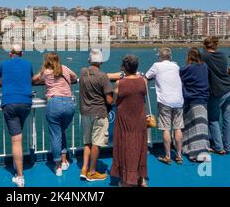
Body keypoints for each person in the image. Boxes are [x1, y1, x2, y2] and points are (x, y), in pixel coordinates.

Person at [32, 52, 77, 176]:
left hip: (55, 103)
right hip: (69, 103)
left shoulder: (45, 72)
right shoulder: (65, 68)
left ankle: (58, 166)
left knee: (55, 135)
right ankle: (64, 161)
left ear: (47, 61)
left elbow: (34, 79)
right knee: (62, 131)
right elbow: (74, 77)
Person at [0, 44, 34, 187]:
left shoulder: (4, 64)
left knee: (16, 140)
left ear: (10, 54)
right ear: (22, 53)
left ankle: (20, 176)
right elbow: (30, 79)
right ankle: (18, 167)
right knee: (19, 136)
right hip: (25, 102)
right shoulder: (28, 64)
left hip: (9, 103)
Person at [110, 55, 148, 187]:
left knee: (125, 147)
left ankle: (127, 180)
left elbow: (114, 101)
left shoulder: (120, 83)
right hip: (139, 120)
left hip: (124, 121)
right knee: (140, 147)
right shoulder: (144, 81)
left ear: (124, 67)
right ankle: (140, 177)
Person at [79, 49, 113, 182]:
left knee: (87, 142)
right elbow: (109, 100)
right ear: (101, 62)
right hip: (99, 113)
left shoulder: (83, 73)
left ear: (89, 61)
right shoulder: (103, 77)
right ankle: (92, 172)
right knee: (96, 144)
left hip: (85, 112)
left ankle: (84, 169)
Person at [145, 48, 184, 164]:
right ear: (170, 57)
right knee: (178, 127)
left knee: (166, 128)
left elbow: (146, 77)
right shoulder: (176, 66)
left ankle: (167, 156)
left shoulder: (156, 66)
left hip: (165, 101)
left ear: (160, 57)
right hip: (178, 100)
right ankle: (179, 155)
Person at [201, 37, 230, 155]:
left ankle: (219, 147)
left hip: (217, 92)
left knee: (213, 120)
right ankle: (227, 147)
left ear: (205, 46)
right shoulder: (222, 55)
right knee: (228, 120)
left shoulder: (204, 56)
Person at [179, 48, 211, 162]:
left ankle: (194, 151)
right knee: (201, 126)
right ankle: (203, 150)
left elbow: (179, 76)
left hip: (191, 99)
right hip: (203, 99)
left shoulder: (187, 68)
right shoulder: (204, 67)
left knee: (192, 126)